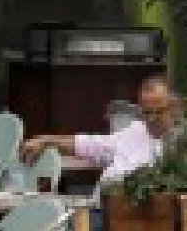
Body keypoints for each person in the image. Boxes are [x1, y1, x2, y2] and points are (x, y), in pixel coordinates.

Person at [23, 74, 176, 185]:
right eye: (147, 112)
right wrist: (47, 140)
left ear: (174, 106)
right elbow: (91, 144)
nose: (151, 118)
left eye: (158, 111)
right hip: (99, 208)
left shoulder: (182, 144)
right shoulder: (135, 130)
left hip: (131, 220)